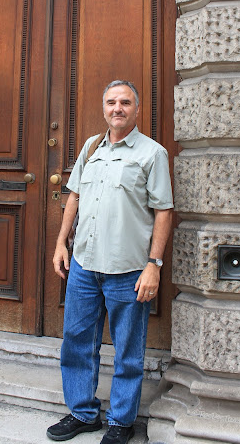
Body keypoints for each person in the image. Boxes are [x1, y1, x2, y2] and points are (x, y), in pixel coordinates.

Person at [47, 80, 173, 444]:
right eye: (111, 102)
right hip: (84, 266)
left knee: (128, 351)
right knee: (76, 341)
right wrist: (60, 243)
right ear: (104, 107)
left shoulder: (152, 154)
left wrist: (155, 265)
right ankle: (83, 413)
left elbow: (163, 211)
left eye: (125, 103)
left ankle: (121, 422)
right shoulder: (90, 148)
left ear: (136, 109)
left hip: (129, 270)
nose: (117, 108)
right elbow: (74, 198)